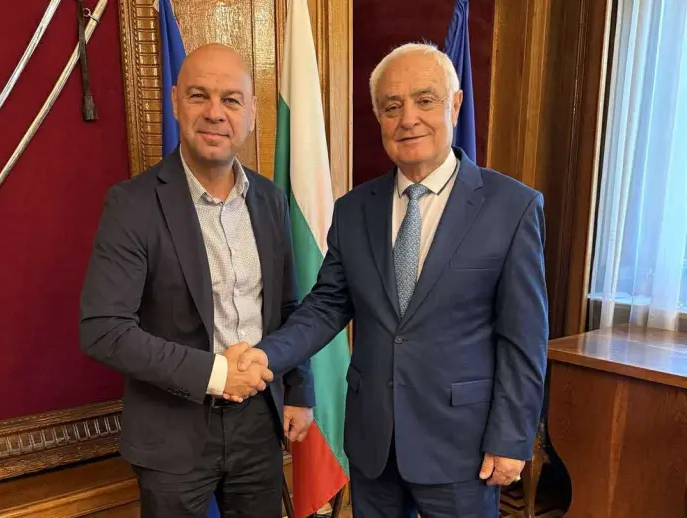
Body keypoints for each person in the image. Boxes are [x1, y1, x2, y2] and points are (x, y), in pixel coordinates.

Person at [232, 42, 549, 518]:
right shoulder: (353, 209)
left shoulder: (512, 207)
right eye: (392, 106)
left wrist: (512, 436)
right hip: (373, 442)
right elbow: (325, 306)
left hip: (461, 447)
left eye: (425, 100)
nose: (408, 119)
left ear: (454, 105)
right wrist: (266, 355)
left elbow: (524, 338)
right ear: (378, 117)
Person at [79, 43, 315, 518]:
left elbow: (288, 308)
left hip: (260, 423)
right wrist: (217, 375)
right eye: (198, 96)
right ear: (175, 102)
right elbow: (104, 330)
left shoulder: (270, 200)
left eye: (231, 100)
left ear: (251, 113)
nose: (215, 113)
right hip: (172, 430)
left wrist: (299, 392)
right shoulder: (132, 205)